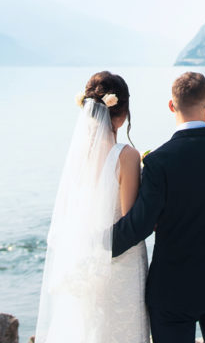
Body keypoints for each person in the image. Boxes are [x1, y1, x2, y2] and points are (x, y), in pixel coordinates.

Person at [112, 71, 205, 343]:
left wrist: (98, 245)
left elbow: (139, 226)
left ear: (171, 105)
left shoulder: (158, 162)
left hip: (171, 290)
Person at [34, 71, 149, 343]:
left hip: (85, 261)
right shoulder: (126, 156)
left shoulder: (78, 159)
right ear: (122, 113)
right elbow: (129, 219)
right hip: (120, 264)